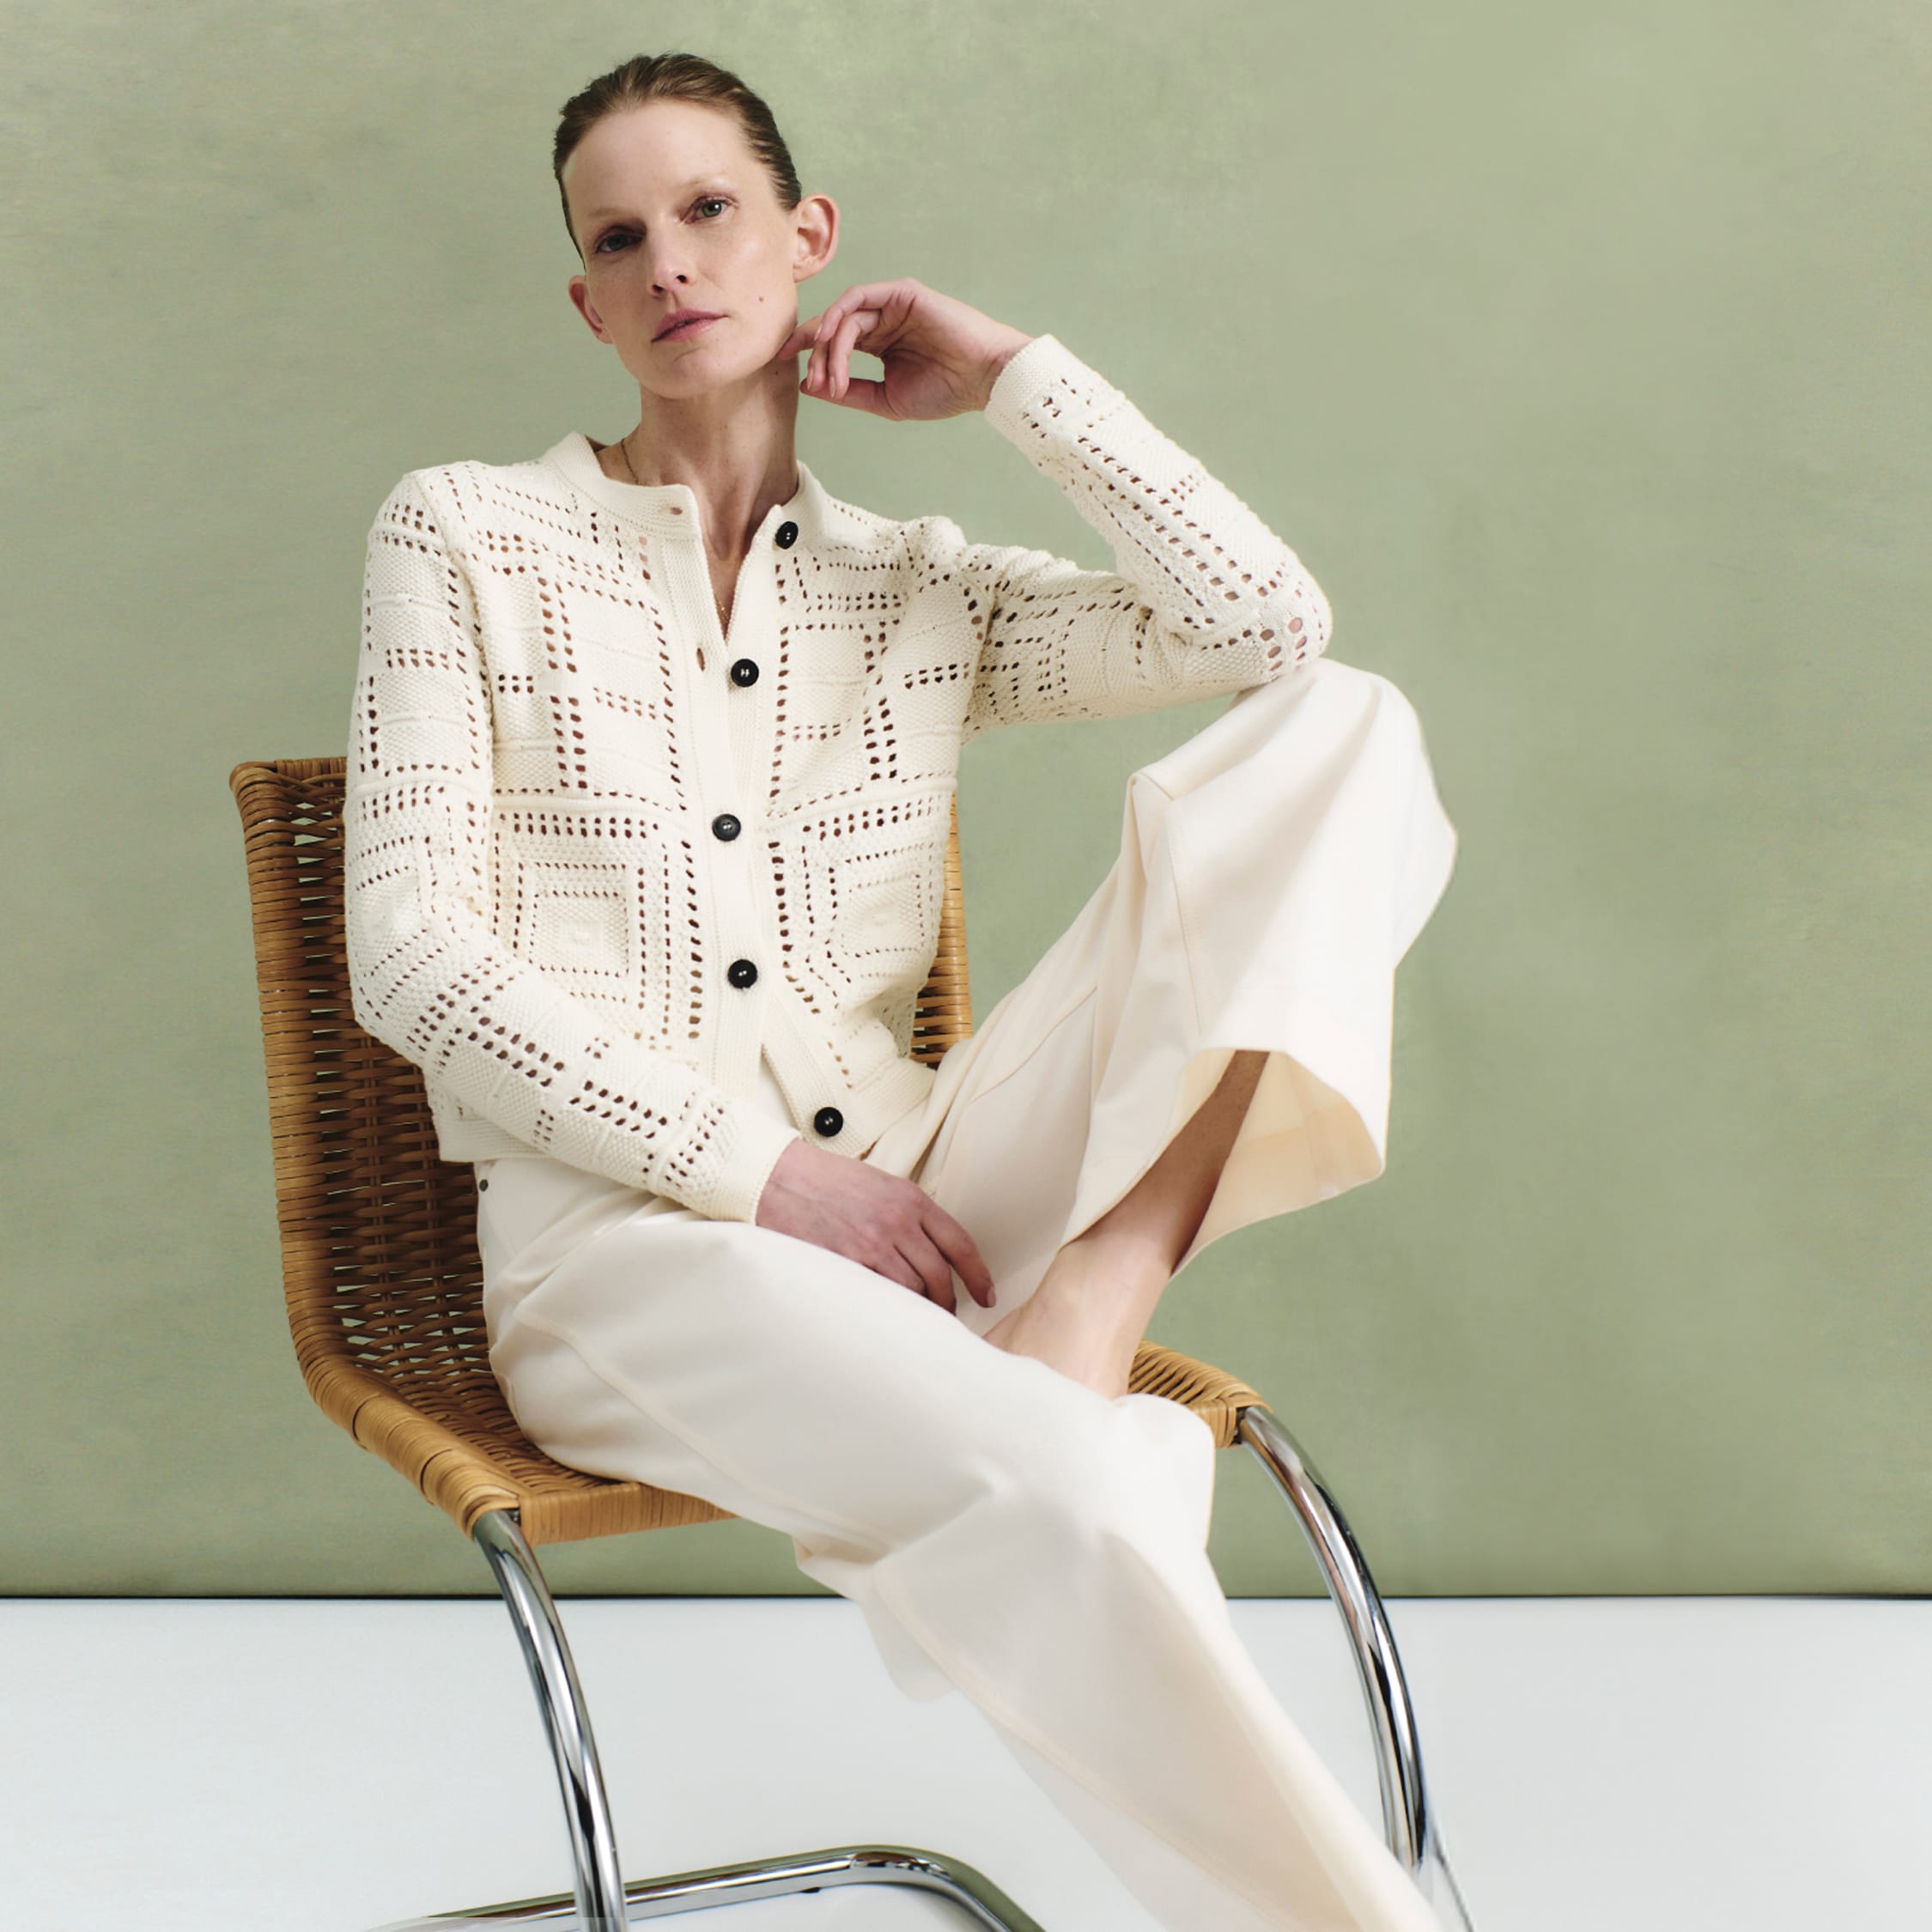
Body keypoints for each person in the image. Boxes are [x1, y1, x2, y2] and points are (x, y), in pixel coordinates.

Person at [344, 49, 1459, 1932]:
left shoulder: (913, 584)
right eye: (622, 238)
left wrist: (1018, 378)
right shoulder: (462, 534)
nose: (673, 261)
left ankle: (1096, 1300)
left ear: (808, 240)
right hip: (624, 1251)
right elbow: (412, 956)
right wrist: (768, 1178)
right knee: (1085, 1489)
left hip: (932, 1189)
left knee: (1350, 730)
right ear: (588, 302)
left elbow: (1270, 627)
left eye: (712, 209)